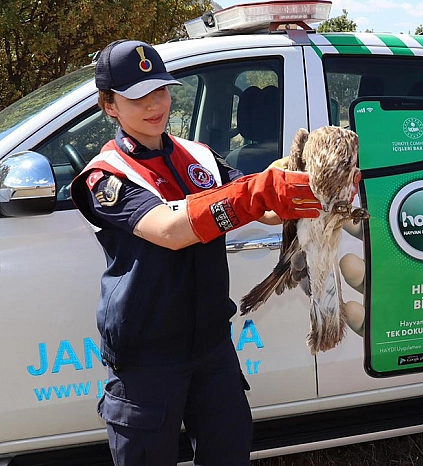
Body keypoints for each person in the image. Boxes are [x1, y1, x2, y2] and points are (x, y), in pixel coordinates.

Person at [70, 39, 322, 466]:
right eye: (137, 96)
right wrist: (256, 192)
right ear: (109, 105)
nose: (154, 104)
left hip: (211, 347)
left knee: (229, 453)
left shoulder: (200, 156)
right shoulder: (104, 175)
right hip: (146, 358)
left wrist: (302, 184)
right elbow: (170, 229)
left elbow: (262, 209)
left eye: (161, 90)